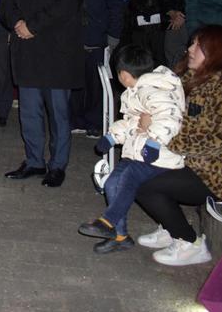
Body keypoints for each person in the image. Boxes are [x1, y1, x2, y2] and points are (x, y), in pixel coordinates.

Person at [135, 25, 222, 266]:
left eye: (199, 45)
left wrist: (159, 132)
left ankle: (190, 244)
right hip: (186, 159)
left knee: (145, 185)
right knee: (135, 169)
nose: (190, 49)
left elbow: (212, 139)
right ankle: (169, 226)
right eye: (192, 43)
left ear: (220, 51)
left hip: (215, 172)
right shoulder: (190, 78)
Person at [0, 0, 84, 188]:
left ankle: (58, 165)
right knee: (29, 111)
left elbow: (66, 5)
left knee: (58, 113)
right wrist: (15, 22)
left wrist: (33, 26)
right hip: (26, 50)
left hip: (56, 50)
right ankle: (34, 161)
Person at [77, 45, 185, 254]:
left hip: (159, 157)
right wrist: (112, 136)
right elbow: (132, 121)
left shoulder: (154, 90)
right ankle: (121, 236)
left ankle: (108, 221)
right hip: (136, 152)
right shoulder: (135, 92)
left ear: (124, 75)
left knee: (128, 177)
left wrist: (153, 144)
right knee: (112, 183)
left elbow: (169, 118)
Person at [67, 0, 124, 138]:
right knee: (74, 82)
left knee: (96, 85)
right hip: (73, 39)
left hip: (97, 38)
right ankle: (75, 120)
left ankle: (95, 123)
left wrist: (113, 36)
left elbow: (116, 7)